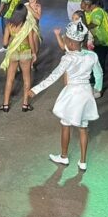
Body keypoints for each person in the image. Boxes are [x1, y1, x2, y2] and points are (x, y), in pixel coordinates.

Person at [28, 22, 102, 171]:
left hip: (72, 93)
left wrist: (35, 89)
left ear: (70, 42)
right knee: (83, 127)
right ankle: (83, 161)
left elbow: (54, 76)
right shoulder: (92, 56)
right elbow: (99, 74)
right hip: (86, 92)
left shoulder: (68, 58)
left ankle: (64, 156)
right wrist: (96, 90)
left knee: (65, 124)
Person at [0, 4, 39, 113]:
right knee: (26, 79)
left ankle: (5, 105)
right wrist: (34, 53)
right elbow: (31, 42)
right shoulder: (28, 25)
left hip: (13, 53)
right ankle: (25, 104)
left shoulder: (9, 25)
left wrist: (12, 40)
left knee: (9, 79)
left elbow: (5, 43)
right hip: (25, 53)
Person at [83, 0, 108, 96]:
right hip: (101, 42)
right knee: (97, 63)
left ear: (94, 5)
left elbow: (94, 24)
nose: (87, 6)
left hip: (102, 42)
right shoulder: (97, 11)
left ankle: (97, 87)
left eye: (89, 4)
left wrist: (82, 26)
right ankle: (95, 84)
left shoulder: (97, 11)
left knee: (98, 64)